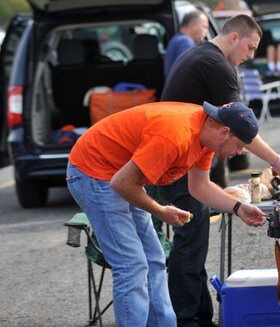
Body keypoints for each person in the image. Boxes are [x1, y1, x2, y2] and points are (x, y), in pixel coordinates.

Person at [66, 101, 267, 327]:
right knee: (131, 265)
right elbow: (121, 183)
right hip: (94, 172)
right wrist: (160, 211)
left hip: (122, 175)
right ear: (224, 132)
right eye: (240, 145)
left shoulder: (206, 137)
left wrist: (238, 208)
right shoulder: (175, 136)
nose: (239, 152)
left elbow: (199, 187)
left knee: (154, 258)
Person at [158, 14, 280, 327]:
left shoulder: (199, 54)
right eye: (250, 47)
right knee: (190, 238)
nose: (250, 56)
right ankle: (186, 318)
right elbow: (240, 125)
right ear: (234, 38)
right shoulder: (219, 65)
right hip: (173, 158)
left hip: (184, 155)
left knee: (194, 238)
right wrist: (275, 160)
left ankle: (199, 314)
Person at [164, 10, 209, 78]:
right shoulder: (185, 42)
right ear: (193, 25)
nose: (206, 31)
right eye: (204, 27)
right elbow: (188, 75)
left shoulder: (178, 39)